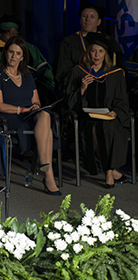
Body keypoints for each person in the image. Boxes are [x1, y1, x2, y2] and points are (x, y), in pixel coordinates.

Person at [0, 36, 62, 195]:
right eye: (11, 52)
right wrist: (22, 110)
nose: (14, 56)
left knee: (44, 114)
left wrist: (35, 107)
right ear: (5, 53)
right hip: (11, 117)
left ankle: (44, 164)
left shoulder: (28, 77)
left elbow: (36, 101)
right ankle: (47, 173)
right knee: (47, 127)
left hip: (30, 115)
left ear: (23, 57)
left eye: (18, 53)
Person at [64, 32, 129, 188]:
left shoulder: (115, 74)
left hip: (108, 116)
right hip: (86, 116)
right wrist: (82, 88)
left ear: (105, 53)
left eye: (100, 51)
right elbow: (67, 102)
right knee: (93, 129)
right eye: (93, 50)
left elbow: (122, 100)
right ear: (88, 52)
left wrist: (115, 111)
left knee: (110, 128)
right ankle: (112, 171)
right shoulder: (78, 72)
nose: (97, 54)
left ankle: (108, 171)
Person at [0, 14, 55, 105]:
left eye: (14, 32)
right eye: (8, 32)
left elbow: (42, 65)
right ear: (0, 33)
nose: (11, 35)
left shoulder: (29, 47)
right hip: (6, 86)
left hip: (31, 82)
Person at [53, 0, 125, 93]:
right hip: (77, 89)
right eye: (84, 16)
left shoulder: (109, 42)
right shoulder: (68, 42)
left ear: (99, 21)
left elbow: (119, 68)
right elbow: (62, 72)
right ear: (80, 19)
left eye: (92, 16)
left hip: (106, 90)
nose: (88, 19)